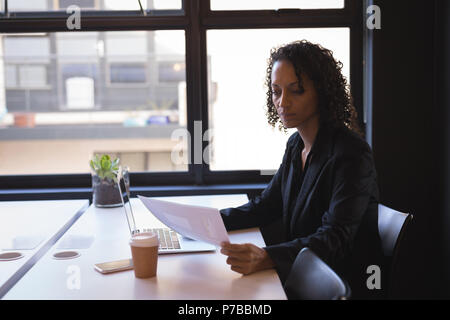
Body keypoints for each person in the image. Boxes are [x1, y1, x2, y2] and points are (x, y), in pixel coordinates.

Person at [219, 40, 385, 299]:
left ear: (321, 92)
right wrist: (211, 222)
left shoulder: (352, 153)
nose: (282, 102)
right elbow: (267, 205)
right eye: (276, 91)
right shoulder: (296, 144)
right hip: (303, 276)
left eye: (296, 91)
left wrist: (266, 256)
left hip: (338, 286)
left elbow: (335, 237)